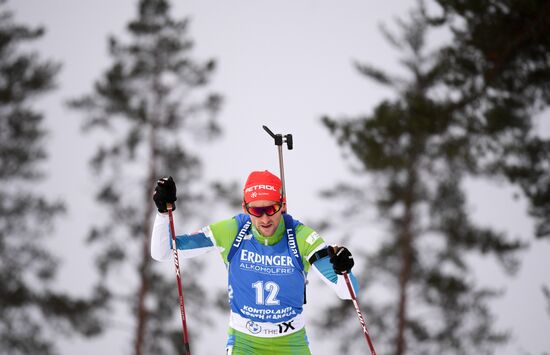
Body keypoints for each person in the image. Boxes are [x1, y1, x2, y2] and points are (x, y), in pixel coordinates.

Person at [151, 170, 358, 355]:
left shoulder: (302, 237)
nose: (265, 219)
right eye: (256, 211)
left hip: (291, 343)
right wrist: (162, 213)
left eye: (271, 208)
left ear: (282, 205)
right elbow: (163, 252)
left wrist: (344, 270)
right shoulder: (232, 231)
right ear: (245, 208)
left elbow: (348, 293)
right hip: (244, 342)